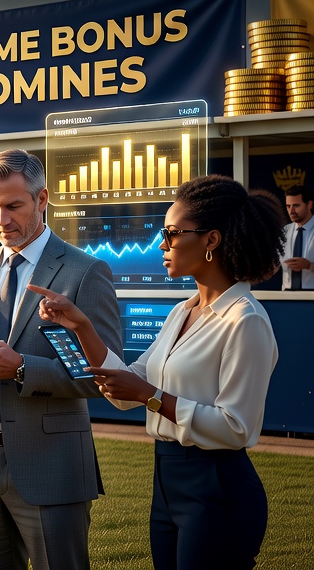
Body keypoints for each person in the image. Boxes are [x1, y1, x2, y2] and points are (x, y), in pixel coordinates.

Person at [30, 174, 283, 570]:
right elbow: (123, 386)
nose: (161, 245)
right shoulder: (183, 312)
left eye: (172, 233)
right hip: (166, 480)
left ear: (211, 240)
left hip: (217, 486)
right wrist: (80, 326)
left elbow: (237, 427)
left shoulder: (245, 321)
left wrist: (148, 396)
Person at [0, 149, 121, 570]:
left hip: (51, 468)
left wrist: (21, 369)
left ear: (42, 200)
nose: (2, 220)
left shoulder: (86, 272)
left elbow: (106, 376)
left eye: (13, 206)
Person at [281, 185, 313, 291]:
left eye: (296, 206)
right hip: (286, 295)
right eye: (288, 206)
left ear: (309, 204)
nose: (291, 211)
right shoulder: (284, 231)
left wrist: (309, 266)